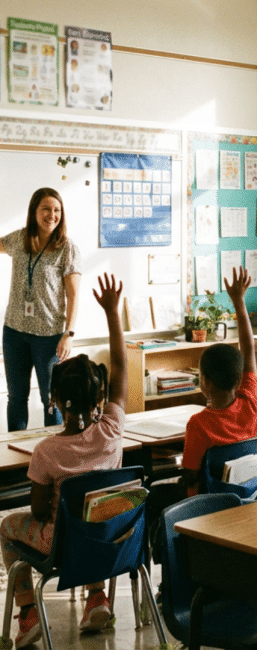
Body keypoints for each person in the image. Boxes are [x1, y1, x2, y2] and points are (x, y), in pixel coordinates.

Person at [0, 273, 126, 648]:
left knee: (7, 527)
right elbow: (120, 367)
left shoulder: (46, 452)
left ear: (52, 400)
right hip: (112, 537)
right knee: (90, 514)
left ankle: (28, 613)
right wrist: (112, 313)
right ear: (100, 398)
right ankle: (97, 598)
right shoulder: (113, 429)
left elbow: (39, 512)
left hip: (65, 545)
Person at [147, 266, 257, 564]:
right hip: (241, 497)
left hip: (202, 504)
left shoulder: (199, 424)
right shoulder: (250, 402)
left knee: (153, 496)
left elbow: (190, 475)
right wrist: (240, 302)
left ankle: (162, 563)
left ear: (205, 383)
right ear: (239, 379)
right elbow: (250, 350)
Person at [0, 187, 81, 431]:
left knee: (51, 401)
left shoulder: (67, 248)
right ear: (34, 211)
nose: (51, 215)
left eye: (57, 210)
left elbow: (73, 294)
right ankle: (14, 459)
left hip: (49, 337)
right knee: (16, 398)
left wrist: (69, 333)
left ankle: (52, 456)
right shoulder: (18, 239)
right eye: (45, 209)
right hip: (14, 332)